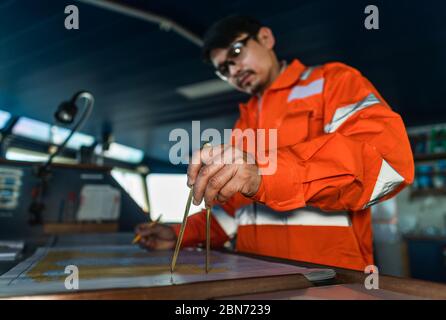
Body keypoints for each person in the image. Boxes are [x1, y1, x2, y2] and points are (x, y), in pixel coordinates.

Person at [135, 15, 414, 271]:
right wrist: (179, 233)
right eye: (224, 69)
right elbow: (233, 213)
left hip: (330, 280)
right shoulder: (243, 124)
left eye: (236, 52)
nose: (233, 70)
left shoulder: (334, 83)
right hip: (254, 279)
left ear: (266, 38)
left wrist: (265, 173)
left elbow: (389, 164)